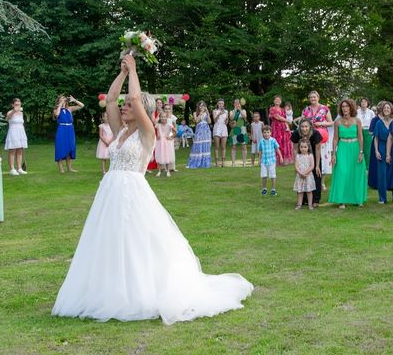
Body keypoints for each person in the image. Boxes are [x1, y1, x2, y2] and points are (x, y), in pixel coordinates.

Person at [52, 55, 253, 324]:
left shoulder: (146, 132)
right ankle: (110, 290)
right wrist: (123, 72)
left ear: (142, 111)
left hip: (133, 193)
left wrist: (134, 69)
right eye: (124, 106)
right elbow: (111, 100)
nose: (124, 107)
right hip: (110, 192)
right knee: (109, 241)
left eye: (129, 106)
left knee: (137, 244)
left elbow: (135, 99)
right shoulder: (120, 130)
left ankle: (140, 292)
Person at [328, 99, 367, 209]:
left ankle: (358, 199)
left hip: (355, 148)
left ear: (351, 108)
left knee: (357, 174)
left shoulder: (357, 121)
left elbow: (360, 137)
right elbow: (335, 138)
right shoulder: (337, 122)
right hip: (342, 148)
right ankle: (341, 200)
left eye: (347, 106)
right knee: (342, 172)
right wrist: (334, 154)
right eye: (343, 106)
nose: (344, 108)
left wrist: (361, 152)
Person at [372, 102, 393, 204]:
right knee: (382, 173)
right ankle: (382, 198)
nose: (386, 109)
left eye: (388, 108)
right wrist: (376, 151)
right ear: (382, 110)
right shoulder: (379, 123)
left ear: (391, 110)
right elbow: (376, 138)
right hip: (381, 147)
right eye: (384, 108)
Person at [290, 119, 322, 207]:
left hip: (313, 157)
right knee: (301, 178)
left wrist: (317, 165)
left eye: (306, 126)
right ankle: (303, 200)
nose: (304, 129)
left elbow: (318, 149)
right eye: (302, 126)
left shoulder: (316, 134)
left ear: (310, 127)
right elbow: (295, 149)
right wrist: (296, 163)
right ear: (299, 127)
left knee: (315, 177)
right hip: (301, 158)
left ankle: (315, 200)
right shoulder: (296, 134)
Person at [53, 95, 84, 173]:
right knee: (60, 147)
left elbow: (82, 105)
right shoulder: (56, 109)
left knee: (70, 147)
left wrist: (74, 100)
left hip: (70, 130)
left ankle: (69, 168)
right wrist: (60, 105)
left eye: (64, 98)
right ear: (59, 101)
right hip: (61, 129)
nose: (64, 99)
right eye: (62, 98)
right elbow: (57, 115)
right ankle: (61, 169)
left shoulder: (69, 109)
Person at [5, 98, 28, 176]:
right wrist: (14, 111)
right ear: (13, 105)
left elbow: (21, 123)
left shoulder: (21, 113)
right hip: (13, 132)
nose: (18, 105)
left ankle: (19, 168)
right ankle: (12, 169)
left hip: (21, 132)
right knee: (12, 151)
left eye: (19, 104)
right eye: (16, 104)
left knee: (20, 150)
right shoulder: (10, 112)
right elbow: (7, 118)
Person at [269, 96, 293, 166]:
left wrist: (287, 127)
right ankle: (276, 161)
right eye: (276, 99)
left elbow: (285, 118)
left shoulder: (283, 110)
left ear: (281, 101)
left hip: (283, 128)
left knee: (283, 143)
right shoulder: (272, 109)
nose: (277, 101)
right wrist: (287, 120)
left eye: (279, 100)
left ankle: (283, 160)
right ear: (274, 101)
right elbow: (277, 117)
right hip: (276, 128)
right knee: (276, 143)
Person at [186, 101, 212, 169]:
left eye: (203, 105)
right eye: (200, 106)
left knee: (205, 145)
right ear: (198, 107)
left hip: (206, 130)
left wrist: (208, 113)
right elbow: (196, 121)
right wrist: (200, 113)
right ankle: (197, 161)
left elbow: (209, 122)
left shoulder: (206, 113)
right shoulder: (195, 113)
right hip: (199, 130)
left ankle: (205, 163)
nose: (202, 107)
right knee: (198, 144)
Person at [258, 125, 283, 196]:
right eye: (264, 132)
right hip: (264, 161)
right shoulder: (261, 141)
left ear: (270, 133)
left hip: (272, 161)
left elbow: (277, 149)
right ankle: (264, 189)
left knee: (272, 175)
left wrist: (280, 157)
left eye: (268, 132)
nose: (266, 134)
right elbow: (260, 151)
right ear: (262, 133)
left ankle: (273, 189)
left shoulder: (273, 140)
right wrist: (259, 159)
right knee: (264, 175)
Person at [293, 138, 316, 210]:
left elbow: (312, 166)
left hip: (308, 175)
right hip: (300, 175)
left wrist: (305, 173)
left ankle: (310, 205)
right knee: (300, 191)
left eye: (305, 147)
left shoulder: (310, 155)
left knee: (309, 190)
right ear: (299, 147)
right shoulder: (297, 156)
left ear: (308, 147)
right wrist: (300, 173)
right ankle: (299, 204)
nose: (303, 149)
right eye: (301, 147)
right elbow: (296, 166)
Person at [155, 112, 176, 177]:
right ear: (160, 118)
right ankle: (159, 171)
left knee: (167, 156)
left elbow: (175, 131)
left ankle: (168, 171)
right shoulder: (158, 125)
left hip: (167, 142)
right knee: (159, 155)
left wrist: (171, 137)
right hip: (160, 142)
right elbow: (155, 132)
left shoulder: (169, 125)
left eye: (164, 117)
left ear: (166, 118)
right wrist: (157, 136)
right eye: (162, 117)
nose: (163, 118)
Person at [229, 99, 248, 167]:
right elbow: (231, 118)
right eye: (235, 103)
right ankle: (233, 163)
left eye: (238, 103)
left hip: (242, 130)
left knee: (244, 146)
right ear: (234, 104)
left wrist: (239, 110)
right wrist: (235, 110)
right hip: (234, 130)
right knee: (233, 146)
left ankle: (244, 162)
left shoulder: (243, 111)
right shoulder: (231, 111)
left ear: (240, 104)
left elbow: (245, 117)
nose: (237, 104)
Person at [357, 98, 375, 167]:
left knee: (367, 150)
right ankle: (359, 164)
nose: (363, 103)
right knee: (359, 148)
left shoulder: (371, 112)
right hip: (358, 131)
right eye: (362, 102)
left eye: (365, 102)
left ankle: (367, 167)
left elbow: (373, 123)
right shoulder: (357, 111)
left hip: (368, 132)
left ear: (367, 103)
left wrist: (371, 131)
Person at [212, 99, 228, 167]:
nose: (221, 105)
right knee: (217, 147)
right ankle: (216, 162)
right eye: (219, 103)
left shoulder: (226, 111)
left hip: (223, 128)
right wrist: (219, 114)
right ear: (217, 104)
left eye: (222, 103)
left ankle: (223, 162)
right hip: (217, 128)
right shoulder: (214, 111)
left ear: (223, 104)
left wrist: (227, 119)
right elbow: (214, 120)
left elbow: (226, 123)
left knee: (223, 147)